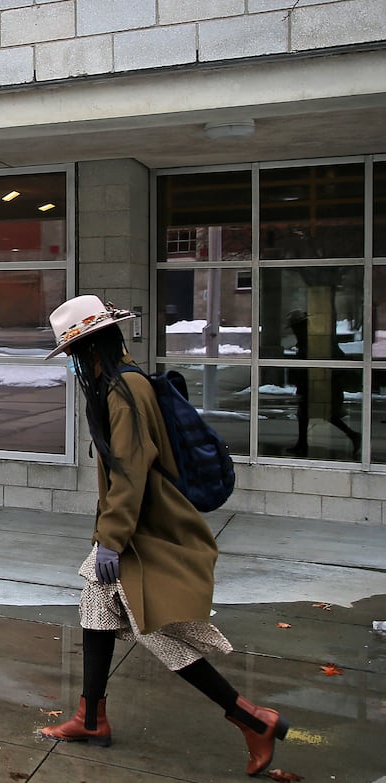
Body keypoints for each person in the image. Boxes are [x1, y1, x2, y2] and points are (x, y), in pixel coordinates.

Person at [38, 295, 290, 777]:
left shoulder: (122, 391)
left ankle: (251, 717)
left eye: (74, 354)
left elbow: (131, 472)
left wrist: (110, 539)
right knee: (95, 607)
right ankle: (91, 718)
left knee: (154, 631)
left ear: (90, 348)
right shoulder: (121, 382)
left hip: (143, 531)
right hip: (130, 527)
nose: (74, 364)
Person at [285, 309, 359, 457]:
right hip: (313, 384)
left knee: (324, 414)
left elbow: (336, 360)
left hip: (322, 384)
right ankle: (302, 444)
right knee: (305, 414)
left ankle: (353, 435)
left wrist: (327, 379)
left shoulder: (316, 339)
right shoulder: (307, 339)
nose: (293, 331)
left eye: (294, 327)